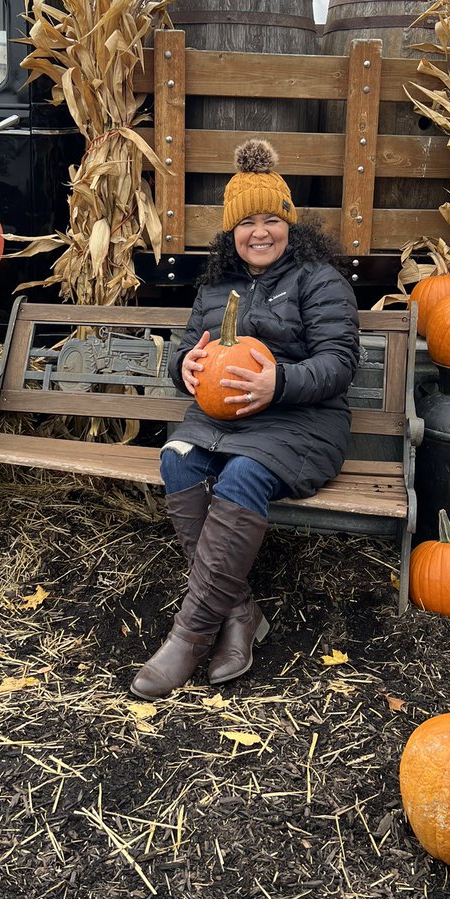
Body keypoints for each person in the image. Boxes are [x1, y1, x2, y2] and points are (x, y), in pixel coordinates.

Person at [130, 138, 361, 699]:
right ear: (230, 231)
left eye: (271, 220)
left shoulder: (318, 280)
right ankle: (238, 613)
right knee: (177, 458)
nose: (260, 233)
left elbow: (339, 362)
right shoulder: (216, 285)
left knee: (241, 475)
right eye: (246, 223)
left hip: (302, 422)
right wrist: (185, 368)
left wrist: (277, 383)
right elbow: (188, 351)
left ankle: (189, 635)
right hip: (223, 422)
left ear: (290, 224)